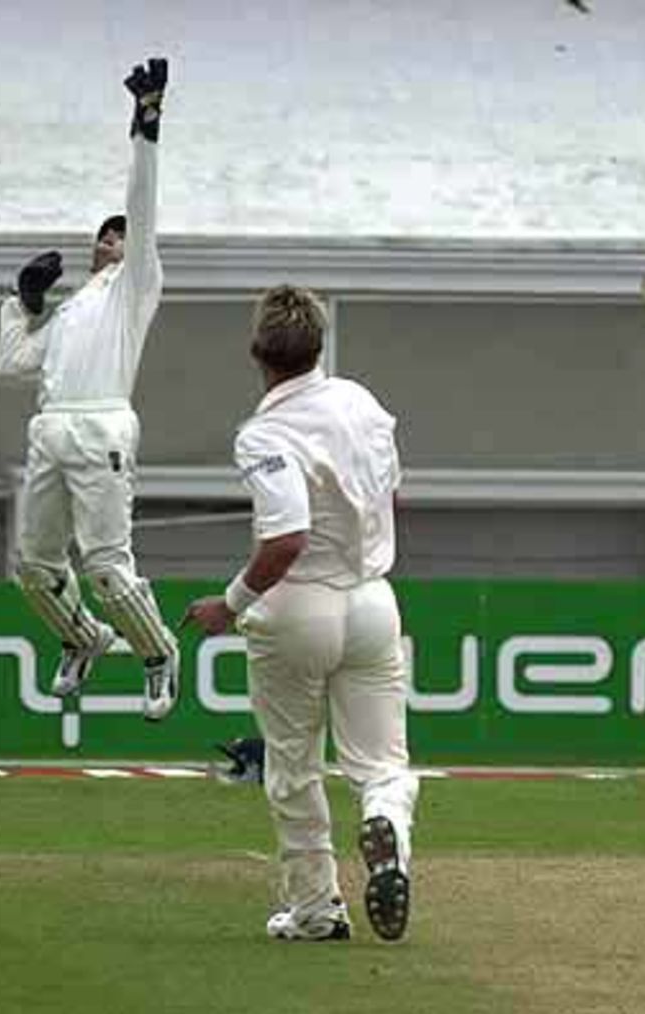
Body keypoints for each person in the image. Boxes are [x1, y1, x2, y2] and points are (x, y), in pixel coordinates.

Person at [182, 285, 419, 942]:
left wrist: (226, 607)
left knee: (293, 768)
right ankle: (388, 828)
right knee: (381, 762)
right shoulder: (362, 403)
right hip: (372, 599)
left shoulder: (263, 433)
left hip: (297, 607)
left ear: (258, 352)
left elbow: (284, 538)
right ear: (319, 345)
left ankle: (316, 910)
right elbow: (390, 498)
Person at [0, 57, 178, 721]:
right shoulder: (74, 309)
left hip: (102, 427)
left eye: (120, 236)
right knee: (34, 565)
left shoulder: (137, 288)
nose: (109, 242)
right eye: (103, 236)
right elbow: (15, 360)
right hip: (51, 427)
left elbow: (143, 203)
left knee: (105, 566)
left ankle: (159, 656)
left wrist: (146, 123)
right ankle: (83, 638)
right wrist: (26, 299)